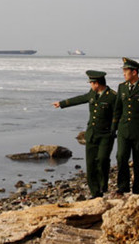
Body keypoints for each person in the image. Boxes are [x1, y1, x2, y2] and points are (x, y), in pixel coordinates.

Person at [53, 70, 117, 198]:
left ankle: (103, 185)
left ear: (97, 83)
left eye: (91, 83)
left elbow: (118, 116)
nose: (90, 86)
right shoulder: (92, 94)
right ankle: (95, 192)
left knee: (103, 160)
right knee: (91, 164)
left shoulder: (113, 96)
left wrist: (113, 131)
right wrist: (62, 103)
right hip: (92, 134)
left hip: (106, 135)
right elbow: (81, 98)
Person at [112, 57, 139, 196]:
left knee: (138, 161)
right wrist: (114, 126)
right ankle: (123, 186)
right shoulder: (122, 87)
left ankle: (137, 189)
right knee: (121, 157)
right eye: (123, 70)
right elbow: (118, 108)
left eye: (126, 71)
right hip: (124, 130)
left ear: (134, 72)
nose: (124, 73)